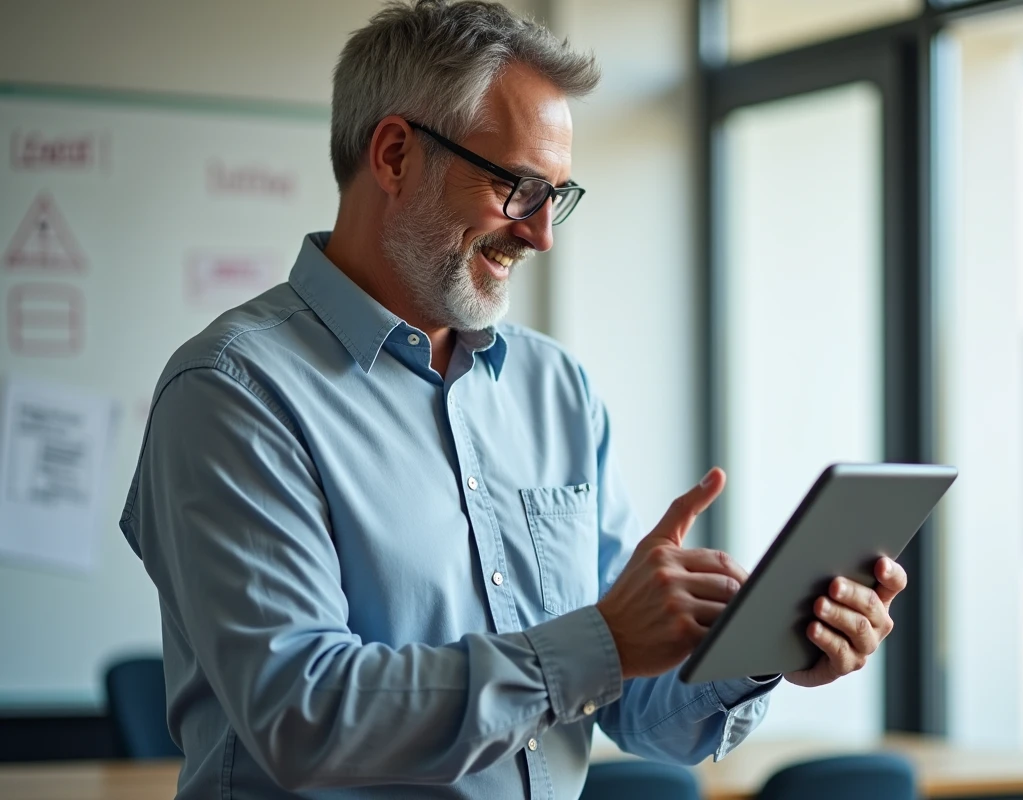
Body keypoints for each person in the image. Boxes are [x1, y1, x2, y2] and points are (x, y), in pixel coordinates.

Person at [119, 2, 908, 798]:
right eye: (519, 187)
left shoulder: (554, 390)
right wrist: (602, 641)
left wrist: (768, 645)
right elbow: (306, 714)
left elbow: (635, 709)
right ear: (394, 155)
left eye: (556, 196)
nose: (541, 235)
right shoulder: (232, 392)